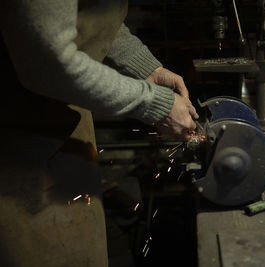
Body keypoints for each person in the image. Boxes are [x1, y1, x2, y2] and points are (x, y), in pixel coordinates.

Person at [0, 0, 198, 266]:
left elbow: (93, 14)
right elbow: (46, 62)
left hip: (65, 120)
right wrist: (153, 103)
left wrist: (146, 67)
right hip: (16, 140)